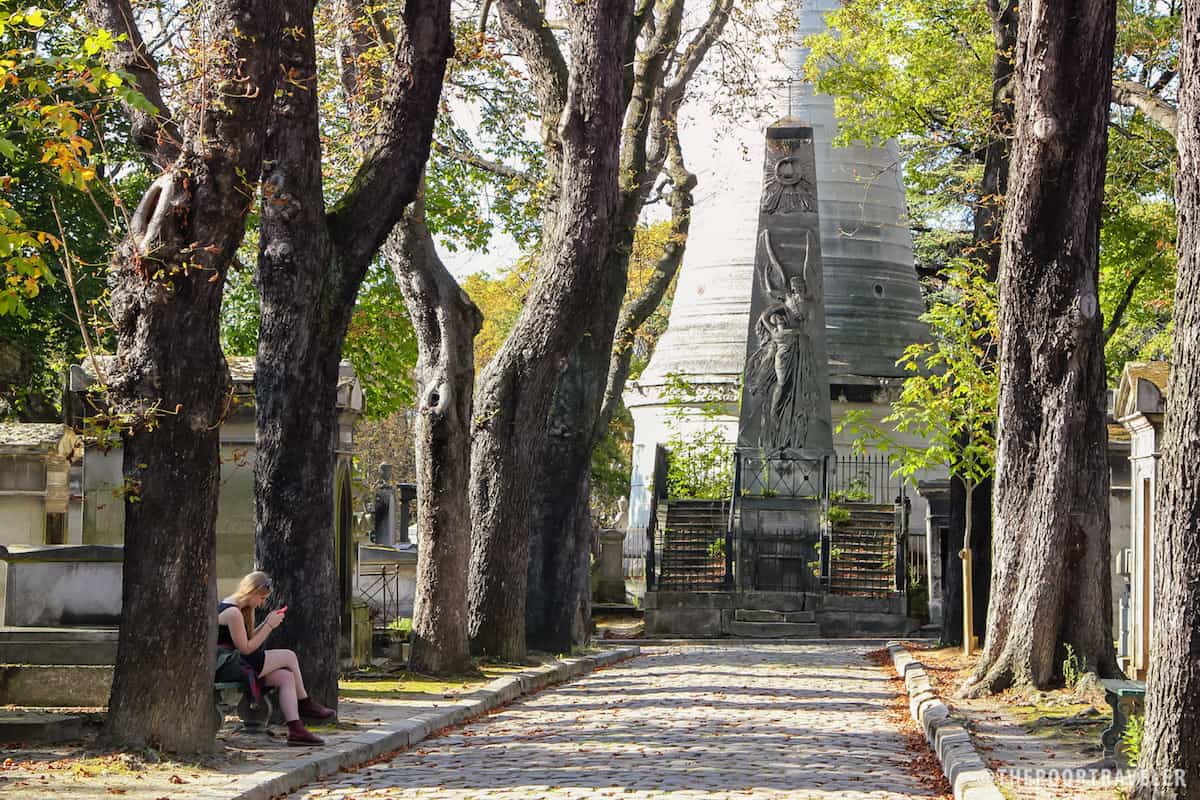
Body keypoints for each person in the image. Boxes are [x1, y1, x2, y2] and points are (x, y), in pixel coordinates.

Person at [217, 571, 335, 746]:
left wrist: (265, 623)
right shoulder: (233, 612)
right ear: (252, 592)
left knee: (287, 677)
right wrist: (269, 626)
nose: (262, 603)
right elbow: (246, 648)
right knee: (289, 656)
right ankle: (305, 703)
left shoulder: (235, 607)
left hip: (237, 662)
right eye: (262, 598)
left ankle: (296, 730)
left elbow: (245, 639)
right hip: (230, 664)